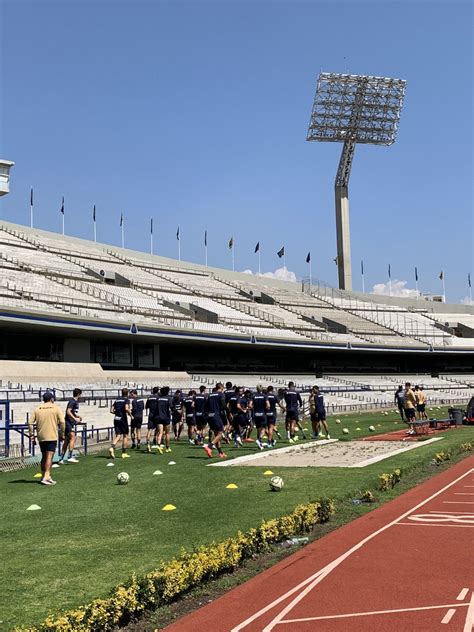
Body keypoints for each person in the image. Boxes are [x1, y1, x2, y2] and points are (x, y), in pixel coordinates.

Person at [28, 391, 65, 485]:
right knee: (49, 456)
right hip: (51, 435)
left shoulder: (37, 409)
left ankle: (43, 475)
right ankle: (46, 476)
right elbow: (62, 422)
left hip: (41, 436)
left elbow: (30, 422)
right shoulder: (56, 408)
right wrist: (62, 433)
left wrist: (32, 434)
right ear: (52, 399)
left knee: (44, 456)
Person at [203, 383, 227, 458]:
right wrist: (226, 410)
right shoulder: (221, 394)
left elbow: (206, 407)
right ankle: (209, 446)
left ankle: (220, 453)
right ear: (221, 387)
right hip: (216, 415)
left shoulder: (209, 395)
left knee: (217, 434)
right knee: (220, 433)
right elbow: (223, 404)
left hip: (210, 416)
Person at [59, 387, 82, 463]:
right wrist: (75, 419)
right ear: (78, 394)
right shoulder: (72, 401)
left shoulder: (74, 402)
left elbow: (72, 412)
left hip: (70, 423)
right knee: (73, 436)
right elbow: (68, 412)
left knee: (66, 440)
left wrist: (77, 416)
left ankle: (61, 458)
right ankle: (70, 456)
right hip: (68, 422)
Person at [109, 388, 131, 459]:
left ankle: (112, 447)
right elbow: (126, 409)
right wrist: (130, 414)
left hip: (116, 419)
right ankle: (124, 453)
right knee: (125, 435)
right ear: (127, 393)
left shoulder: (117, 399)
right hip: (123, 419)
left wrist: (117, 413)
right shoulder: (126, 400)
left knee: (118, 435)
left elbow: (111, 410)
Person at [252, 385, 270, 450]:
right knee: (264, 428)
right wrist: (267, 408)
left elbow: (250, 405)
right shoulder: (265, 396)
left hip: (256, 414)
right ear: (262, 389)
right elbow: (268, 405)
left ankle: (260, 443)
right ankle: (259, 440)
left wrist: (254, 407)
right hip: (262, 414)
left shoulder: (254, 396)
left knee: (258, 429)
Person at [156, 386, 173, 453]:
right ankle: (167, 447)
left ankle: (159, 445)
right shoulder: (169, 398)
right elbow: (171, 407)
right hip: (166, 417)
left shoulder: (158, 399)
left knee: (160, 433)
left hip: (159, 417)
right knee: (167, 433)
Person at [145, 386, 159, 453]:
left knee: (149, 430)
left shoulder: (149, 397)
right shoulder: (158, 397)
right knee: (158, 428)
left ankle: (148, 444)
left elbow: (146, 406)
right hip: (156, 414)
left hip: (151, 414)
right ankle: (155, 440)